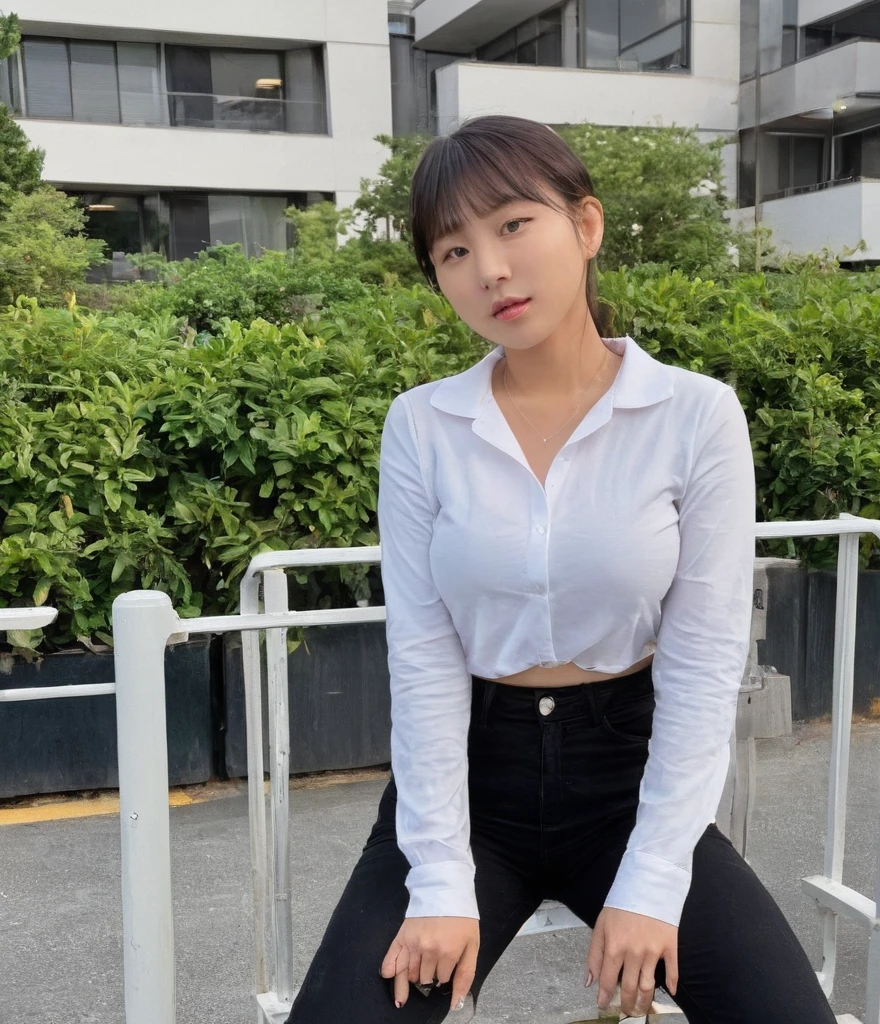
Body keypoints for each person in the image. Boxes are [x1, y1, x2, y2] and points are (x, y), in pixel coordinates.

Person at [286, 114, 837, 1024]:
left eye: (511, 226)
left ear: (585, 226)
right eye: (452, 250)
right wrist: (438, 881)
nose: (489, 269)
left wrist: (654, 883)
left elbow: (703, 661)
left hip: (626, 774)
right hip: (473, 778)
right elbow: (422, 655)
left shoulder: (695, 416)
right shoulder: (422, 428)